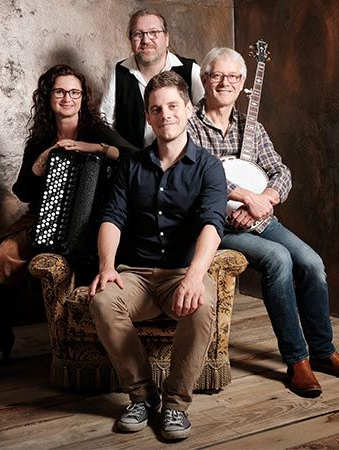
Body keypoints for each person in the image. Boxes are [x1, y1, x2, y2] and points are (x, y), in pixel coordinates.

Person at [188, 47, 339, 398]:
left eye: (234, 77)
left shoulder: (251, 126)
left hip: (258, 218)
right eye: (217, 75)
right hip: (216, 226)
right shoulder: (190, 126)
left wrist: (266, 198)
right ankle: (297, 359)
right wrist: (242, 198)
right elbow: (197, 177)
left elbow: (281, 171)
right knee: (278, 259)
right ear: (205, 79)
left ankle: (324, 352)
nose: (225, 82)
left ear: (243, 84)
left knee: (313, 264)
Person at [0, 64, 136, 386]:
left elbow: (136, 157)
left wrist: (97, 149)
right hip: (43, 217)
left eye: (74, 92)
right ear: (48, 96)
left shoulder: (96, 130)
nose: (67, 98)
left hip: (90, 223)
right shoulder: (40, 139)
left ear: (82, 97)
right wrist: (40, 162)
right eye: (60, 92)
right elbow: (22, 191)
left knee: (1, 263)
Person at [88, 71, 226, 441]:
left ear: (187, 110)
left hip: (184, 270)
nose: (165, 114)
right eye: (156, 109)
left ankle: (176, 405)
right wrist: (106, 266)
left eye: (172, 106)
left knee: (201, 305)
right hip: (137, 274)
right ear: (148, 116)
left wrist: (196, 276)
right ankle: (142, 396)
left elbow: (213, 224)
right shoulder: (131, 167)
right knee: (103, 302)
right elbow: (111, 218)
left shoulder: (209, 168)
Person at [99, 8, 204, 149]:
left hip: (181, 165)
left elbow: (206, 122)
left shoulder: (191, 71)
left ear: (166, 38)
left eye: (153, 33)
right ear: (130, 40)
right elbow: (105, 123)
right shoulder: (119, 72)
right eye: (138, 34)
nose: (145, 40)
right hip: (131, 165)